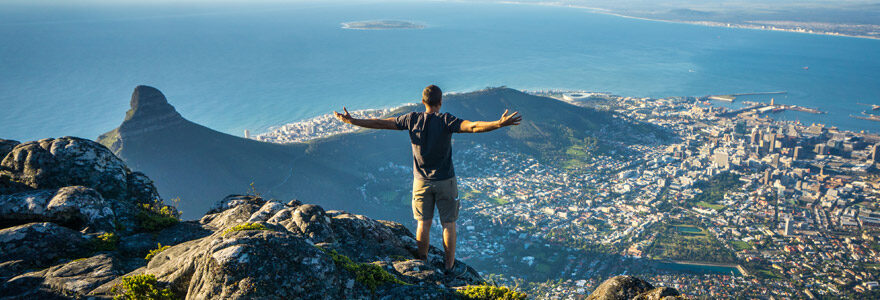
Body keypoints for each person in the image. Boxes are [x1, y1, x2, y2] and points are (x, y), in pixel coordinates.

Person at [333, 84, 521, 277]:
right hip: (446, 180)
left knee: (423, 222)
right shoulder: (446, 120)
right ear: (440, 102)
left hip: (421, 181)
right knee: (449, 224)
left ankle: (422, 261)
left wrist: (353, 121)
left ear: (423, 102)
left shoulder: (411, 119)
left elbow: (381, 123)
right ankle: (449, 267)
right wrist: (498, 124)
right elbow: (472, 126)